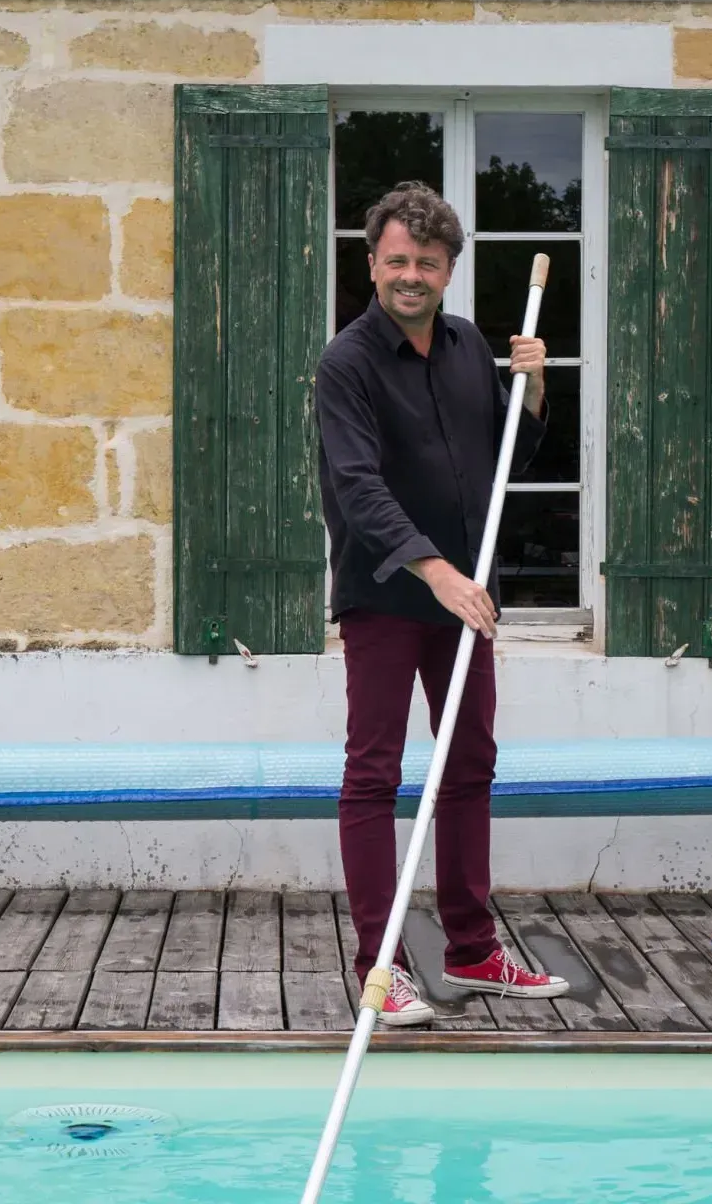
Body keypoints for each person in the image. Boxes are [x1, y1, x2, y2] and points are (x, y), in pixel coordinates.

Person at [314, 181, 570, 1026]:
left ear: (450, 268)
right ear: (373, 263)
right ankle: (378, 970)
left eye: (427, 261)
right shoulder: (345, 364)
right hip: (388, 594)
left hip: (464, 600)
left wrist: (531, 394)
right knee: (374, 776)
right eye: (397, 261)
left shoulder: (465, 348)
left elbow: (503, 463)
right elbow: (357, 487)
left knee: (468, 770)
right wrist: (435, 570)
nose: (411, 275)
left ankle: (471, 953)